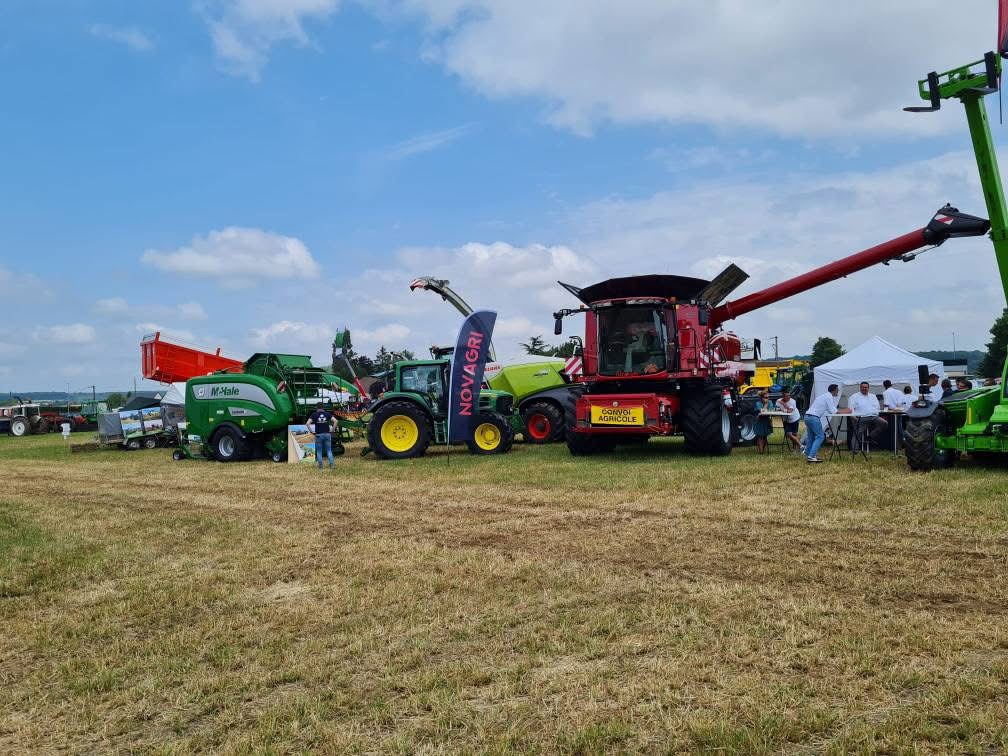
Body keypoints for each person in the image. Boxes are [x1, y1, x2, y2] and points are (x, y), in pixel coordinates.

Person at [804, 384, 843, 463]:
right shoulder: (829, 397)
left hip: (807, 416)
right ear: (834, 390)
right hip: (814, 418)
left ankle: (809, 454)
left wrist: (838, 410)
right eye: (837, 390)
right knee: (820, 436)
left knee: (811, 437)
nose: (838, 392)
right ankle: (811, 456)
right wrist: (845, 411)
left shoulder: (823, 396)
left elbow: (829, 410)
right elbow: (833, 411)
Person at [847, 381, 888, 451]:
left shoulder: (873, 396)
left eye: (866, 387)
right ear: (860, 388)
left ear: (868, 388)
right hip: (861, 418)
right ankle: (855, 450)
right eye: (862, 387)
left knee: (884, 423)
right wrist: (854, 418)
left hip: (874, 416)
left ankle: (870, 437)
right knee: (857, 433)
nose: (864, 388)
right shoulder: (854, 396)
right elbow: (850, 409)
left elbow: (877, 407)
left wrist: (877, 414)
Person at [307, 401, 335, 470]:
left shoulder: (314, 414)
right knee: (329, 450)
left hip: (318, 435)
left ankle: (321, 468)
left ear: (317, 407)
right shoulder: (327, 414)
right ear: (323, 407)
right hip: (327, 434)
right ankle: (332, 466)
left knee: (319, 451)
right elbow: (336, 421)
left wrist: (312, 432)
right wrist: (332, 430)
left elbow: (307, 423)